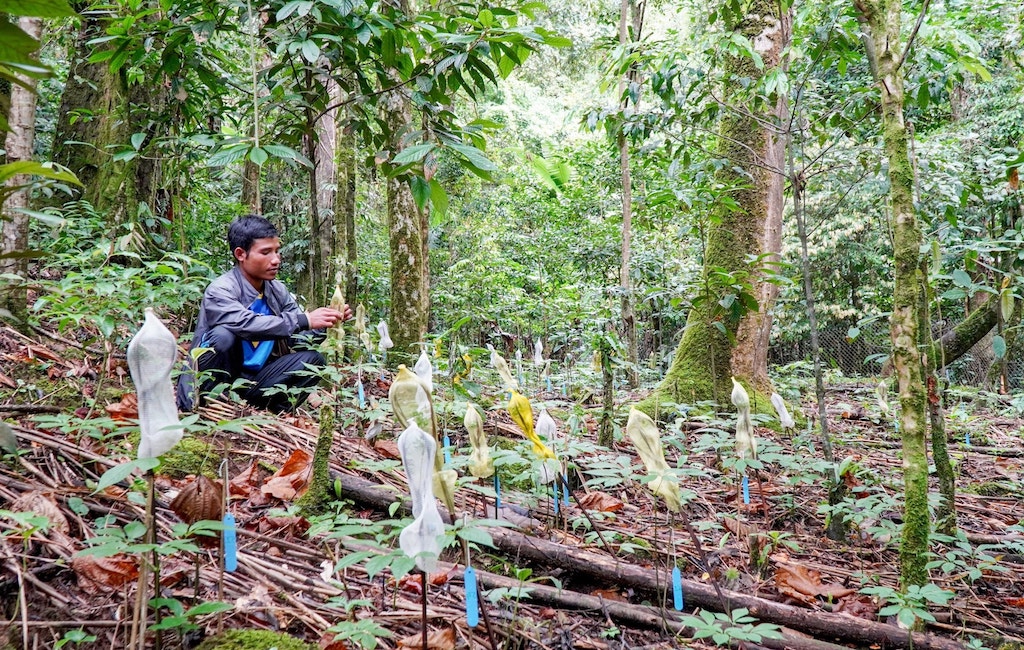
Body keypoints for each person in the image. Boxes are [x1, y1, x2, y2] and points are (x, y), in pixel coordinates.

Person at [176, 215, 352, 413]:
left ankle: (274, 414)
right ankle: (207, 405)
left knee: (314, 360)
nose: (276, 260)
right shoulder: (221, 289)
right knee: (223, 336)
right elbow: (245, 324)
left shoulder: (277, 291)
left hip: (256, 380)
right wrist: (305, 320)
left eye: (277, 251)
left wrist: (325, 323)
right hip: (219, 378)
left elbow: (297, 339)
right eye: (266, 252)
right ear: (241, 254)